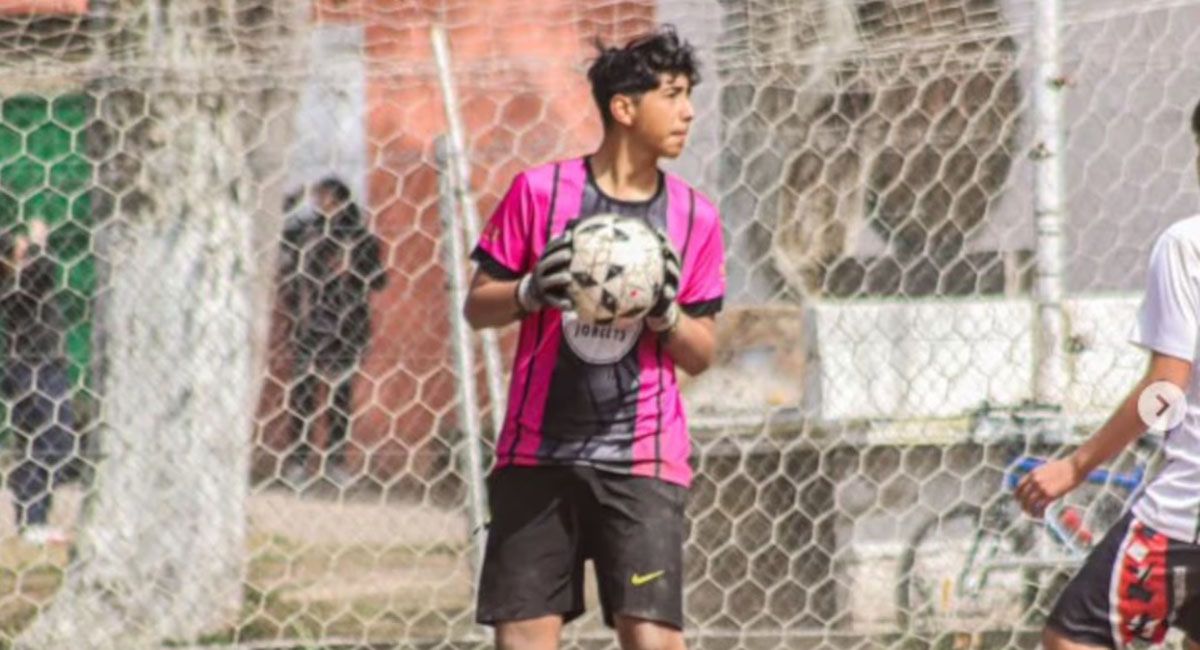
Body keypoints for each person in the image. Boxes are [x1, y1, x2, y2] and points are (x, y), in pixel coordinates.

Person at [463, 26, 724, 650]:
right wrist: (529, 291)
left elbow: (704, 351)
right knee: (524, 639)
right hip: (537, 454)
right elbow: (478, 306)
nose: (689, 111)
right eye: (675, 94)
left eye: (690, 95)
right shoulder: (539, 193)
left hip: (643, 460)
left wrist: (666, 315)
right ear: (624, 107)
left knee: (654, 639)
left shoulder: (696, 217)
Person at [1015, 99, 1200, 649]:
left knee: (1071, 638)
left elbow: (1165, 391)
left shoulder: (1187, 246)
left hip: (1183, 518)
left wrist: (1077, 464)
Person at [277, 177, 386, 489]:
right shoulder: (306, 232)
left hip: (347, 327)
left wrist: (353, 272)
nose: (316, 202)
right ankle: (298, 462)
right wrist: (287, 202)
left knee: (340, 396)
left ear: (337, 199)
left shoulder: (360, 237)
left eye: (321, 196)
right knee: (302, 396)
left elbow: (379, 280)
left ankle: (336, 463)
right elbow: (277, 239)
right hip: (309, 324)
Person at [0, 219, 76, 545]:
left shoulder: (19, 282)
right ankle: (33, 521)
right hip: (33, 369)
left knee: (44, 442)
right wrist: (40, 240)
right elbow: (44, 271)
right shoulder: (14, 285)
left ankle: (35, 520)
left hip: (37, 368)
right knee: (49, 441)